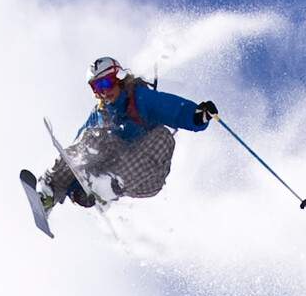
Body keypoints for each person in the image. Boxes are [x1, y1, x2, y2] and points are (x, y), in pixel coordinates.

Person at [38, 57, 218, 210]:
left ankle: (107, 186)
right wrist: (75, 188)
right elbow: (79, 150)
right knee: (93, 136)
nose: (102, 92)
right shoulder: (100, 113)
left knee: (163, 136)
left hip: (148, 176)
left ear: (119, 78)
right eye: (96, 88)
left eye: (105, 83)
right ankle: (49, 192)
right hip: (109, 168)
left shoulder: (140, 98)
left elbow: (172, 108)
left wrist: (197, 116)